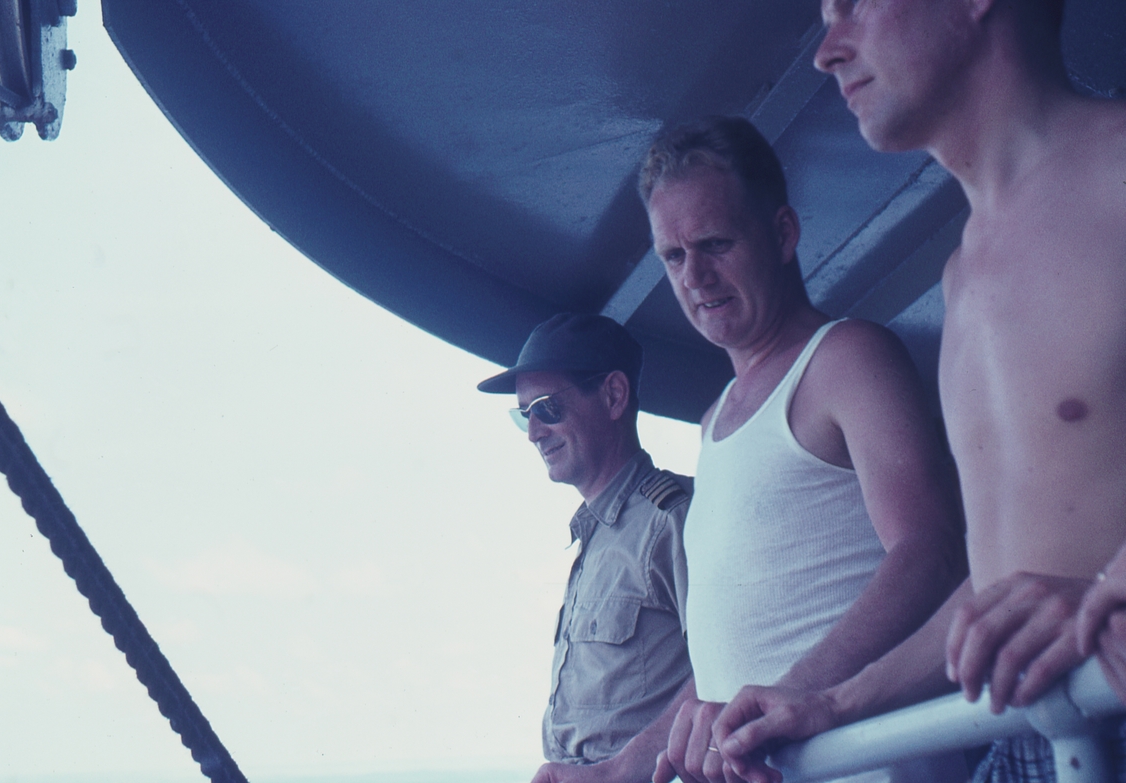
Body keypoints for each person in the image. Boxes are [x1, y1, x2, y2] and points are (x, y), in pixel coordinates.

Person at [706, 1, 1126, 782]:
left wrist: (1107, 591)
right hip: (1026, 743)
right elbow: (1003, 586)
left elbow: (1082, 585)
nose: (827, 50)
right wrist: (833, 701)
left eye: (855, 5)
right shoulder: (963, 274)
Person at [638, 116, 969, 783]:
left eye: (714, 243)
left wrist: (795, 698)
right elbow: (727, 656)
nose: (694, 275)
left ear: (783, 233)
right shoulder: (712, 421)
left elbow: (930, 551)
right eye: (673, 256)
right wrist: (620, 766)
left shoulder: (846, 357)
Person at [478, 312, 695, 783]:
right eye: (524, 414)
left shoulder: (673, 520)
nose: (534, 432)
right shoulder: (595, 536)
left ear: (614, 395)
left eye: (547, 408)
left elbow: (731, 665)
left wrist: (620, 772)